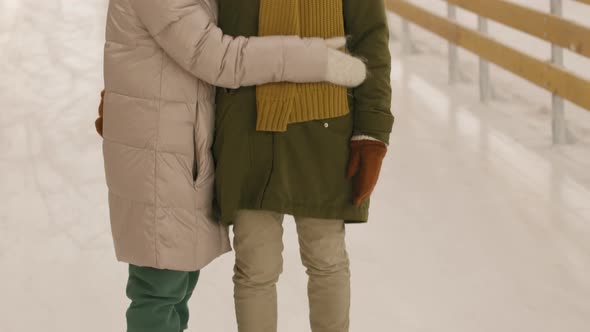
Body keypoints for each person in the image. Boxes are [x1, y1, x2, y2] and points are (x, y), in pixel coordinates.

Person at [96, 0, 366, 331]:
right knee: (159, 292)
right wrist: (314, 58)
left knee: (175, 291)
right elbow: (220, 58)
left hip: (174, 150)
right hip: (158, 157)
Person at [213, 0, 393, 331]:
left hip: (323, 127)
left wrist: (372, 132)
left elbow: (370, 36)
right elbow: (189, 31)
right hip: (248, 127)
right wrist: (130, 91)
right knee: (255, 266)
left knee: (326, 259)